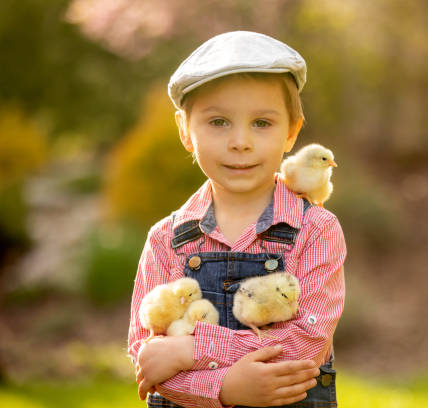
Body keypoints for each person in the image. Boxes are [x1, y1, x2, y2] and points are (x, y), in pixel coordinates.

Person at [127, 31, 346, 408]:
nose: (240, 141)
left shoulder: (316, 231)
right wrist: (224, 388)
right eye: (218, 122)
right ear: (184, 131)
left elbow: (306, 343)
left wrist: (191, 351)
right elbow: (149, 357)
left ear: (291, 131)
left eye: (262, 123)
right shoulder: (166, 240)